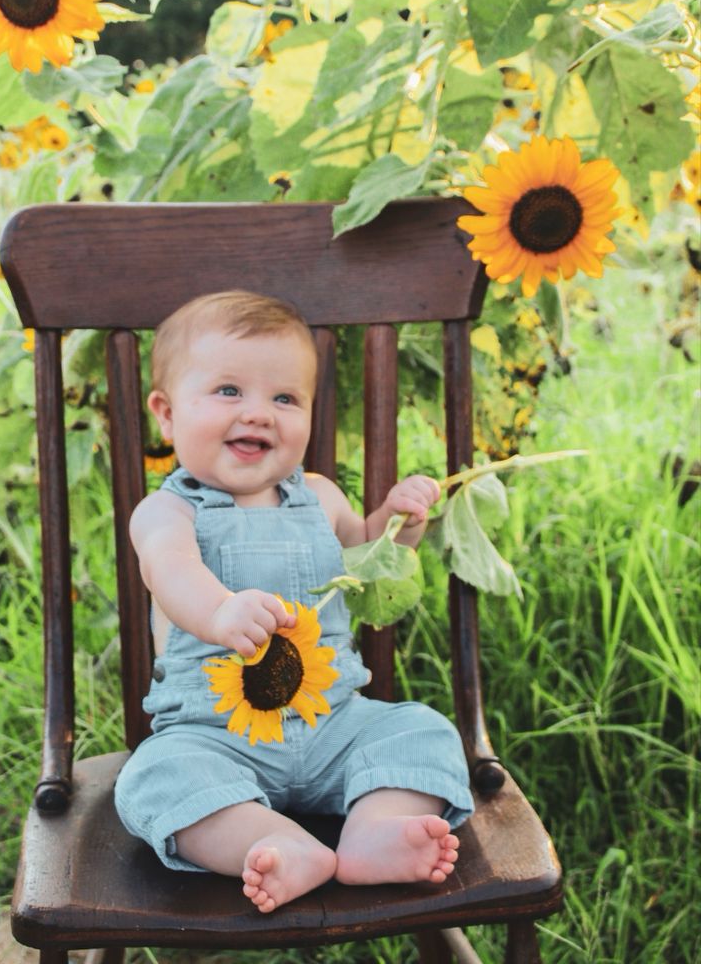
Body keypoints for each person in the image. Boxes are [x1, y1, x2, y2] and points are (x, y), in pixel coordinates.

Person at [114, 290, 475, 914]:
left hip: (335, 723)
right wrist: (222, 612)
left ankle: (373, 832)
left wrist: (399, 520)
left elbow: (365, 561)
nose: (259, 414)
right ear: (167, 415)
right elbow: (170, 570)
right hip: (214, 736)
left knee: (423, 731)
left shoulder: (321, 497)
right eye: (229, 391)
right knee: (152, 776)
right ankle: (270, 841)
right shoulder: (167, 511)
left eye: (284, 398)